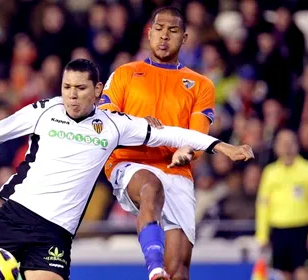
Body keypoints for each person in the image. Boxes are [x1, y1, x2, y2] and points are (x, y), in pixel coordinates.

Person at [0, 59, 254, 280]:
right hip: (15, 216)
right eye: (67, 87)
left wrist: (219, 145)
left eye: (80, 88)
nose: (71, 95)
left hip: (56, 234)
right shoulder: (42, 110)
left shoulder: (114, 125)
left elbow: (171, 132)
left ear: (98, 91)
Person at [98, 6, 216, 280]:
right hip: (130, 163)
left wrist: (187, 153)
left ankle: (163, 272)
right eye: (159, 30)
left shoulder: (201, 85)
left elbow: (197, 137)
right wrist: (139, 127)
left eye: (173, 31)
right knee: (152, 187)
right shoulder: (125, 74)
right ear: (149, 34)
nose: (164, 36)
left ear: (184, 38)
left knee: (179, 272)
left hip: (177, 171)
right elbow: (105, 122)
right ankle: (154, 266)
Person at [256, 129, 308, 280]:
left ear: (297, 145)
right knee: (283, 275)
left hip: (302, 229)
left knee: (302, 273)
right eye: (282, 143)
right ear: (276, 147)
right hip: (278, 230)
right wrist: (262, 234)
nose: (287, 147)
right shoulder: (270, 172)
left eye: (290, 142)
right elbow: (262, 205)